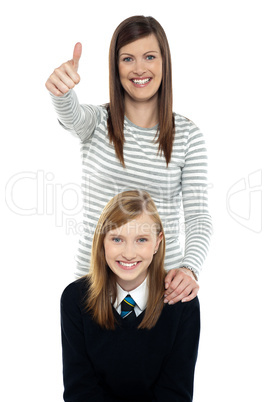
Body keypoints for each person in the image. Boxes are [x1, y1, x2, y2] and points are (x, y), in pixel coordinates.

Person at [46, 15, 212, 304]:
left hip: (163, 290)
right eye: (127, 59)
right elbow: (71, 114)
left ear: (164, 63)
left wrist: (189, 268)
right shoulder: (97, 122)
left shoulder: (187, 135)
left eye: (149, 56)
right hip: (95, 286)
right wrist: (62, 91)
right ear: (115, 66)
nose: (139, 69)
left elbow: (198, 216)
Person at [61, 190, 200, 401]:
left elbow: (175, 393)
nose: (128, 253)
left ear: (157, 242)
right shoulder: (75, 299)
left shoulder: (181, 302)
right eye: (117, 239)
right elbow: (80, 390)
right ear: (101, 241)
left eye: (141, 240)